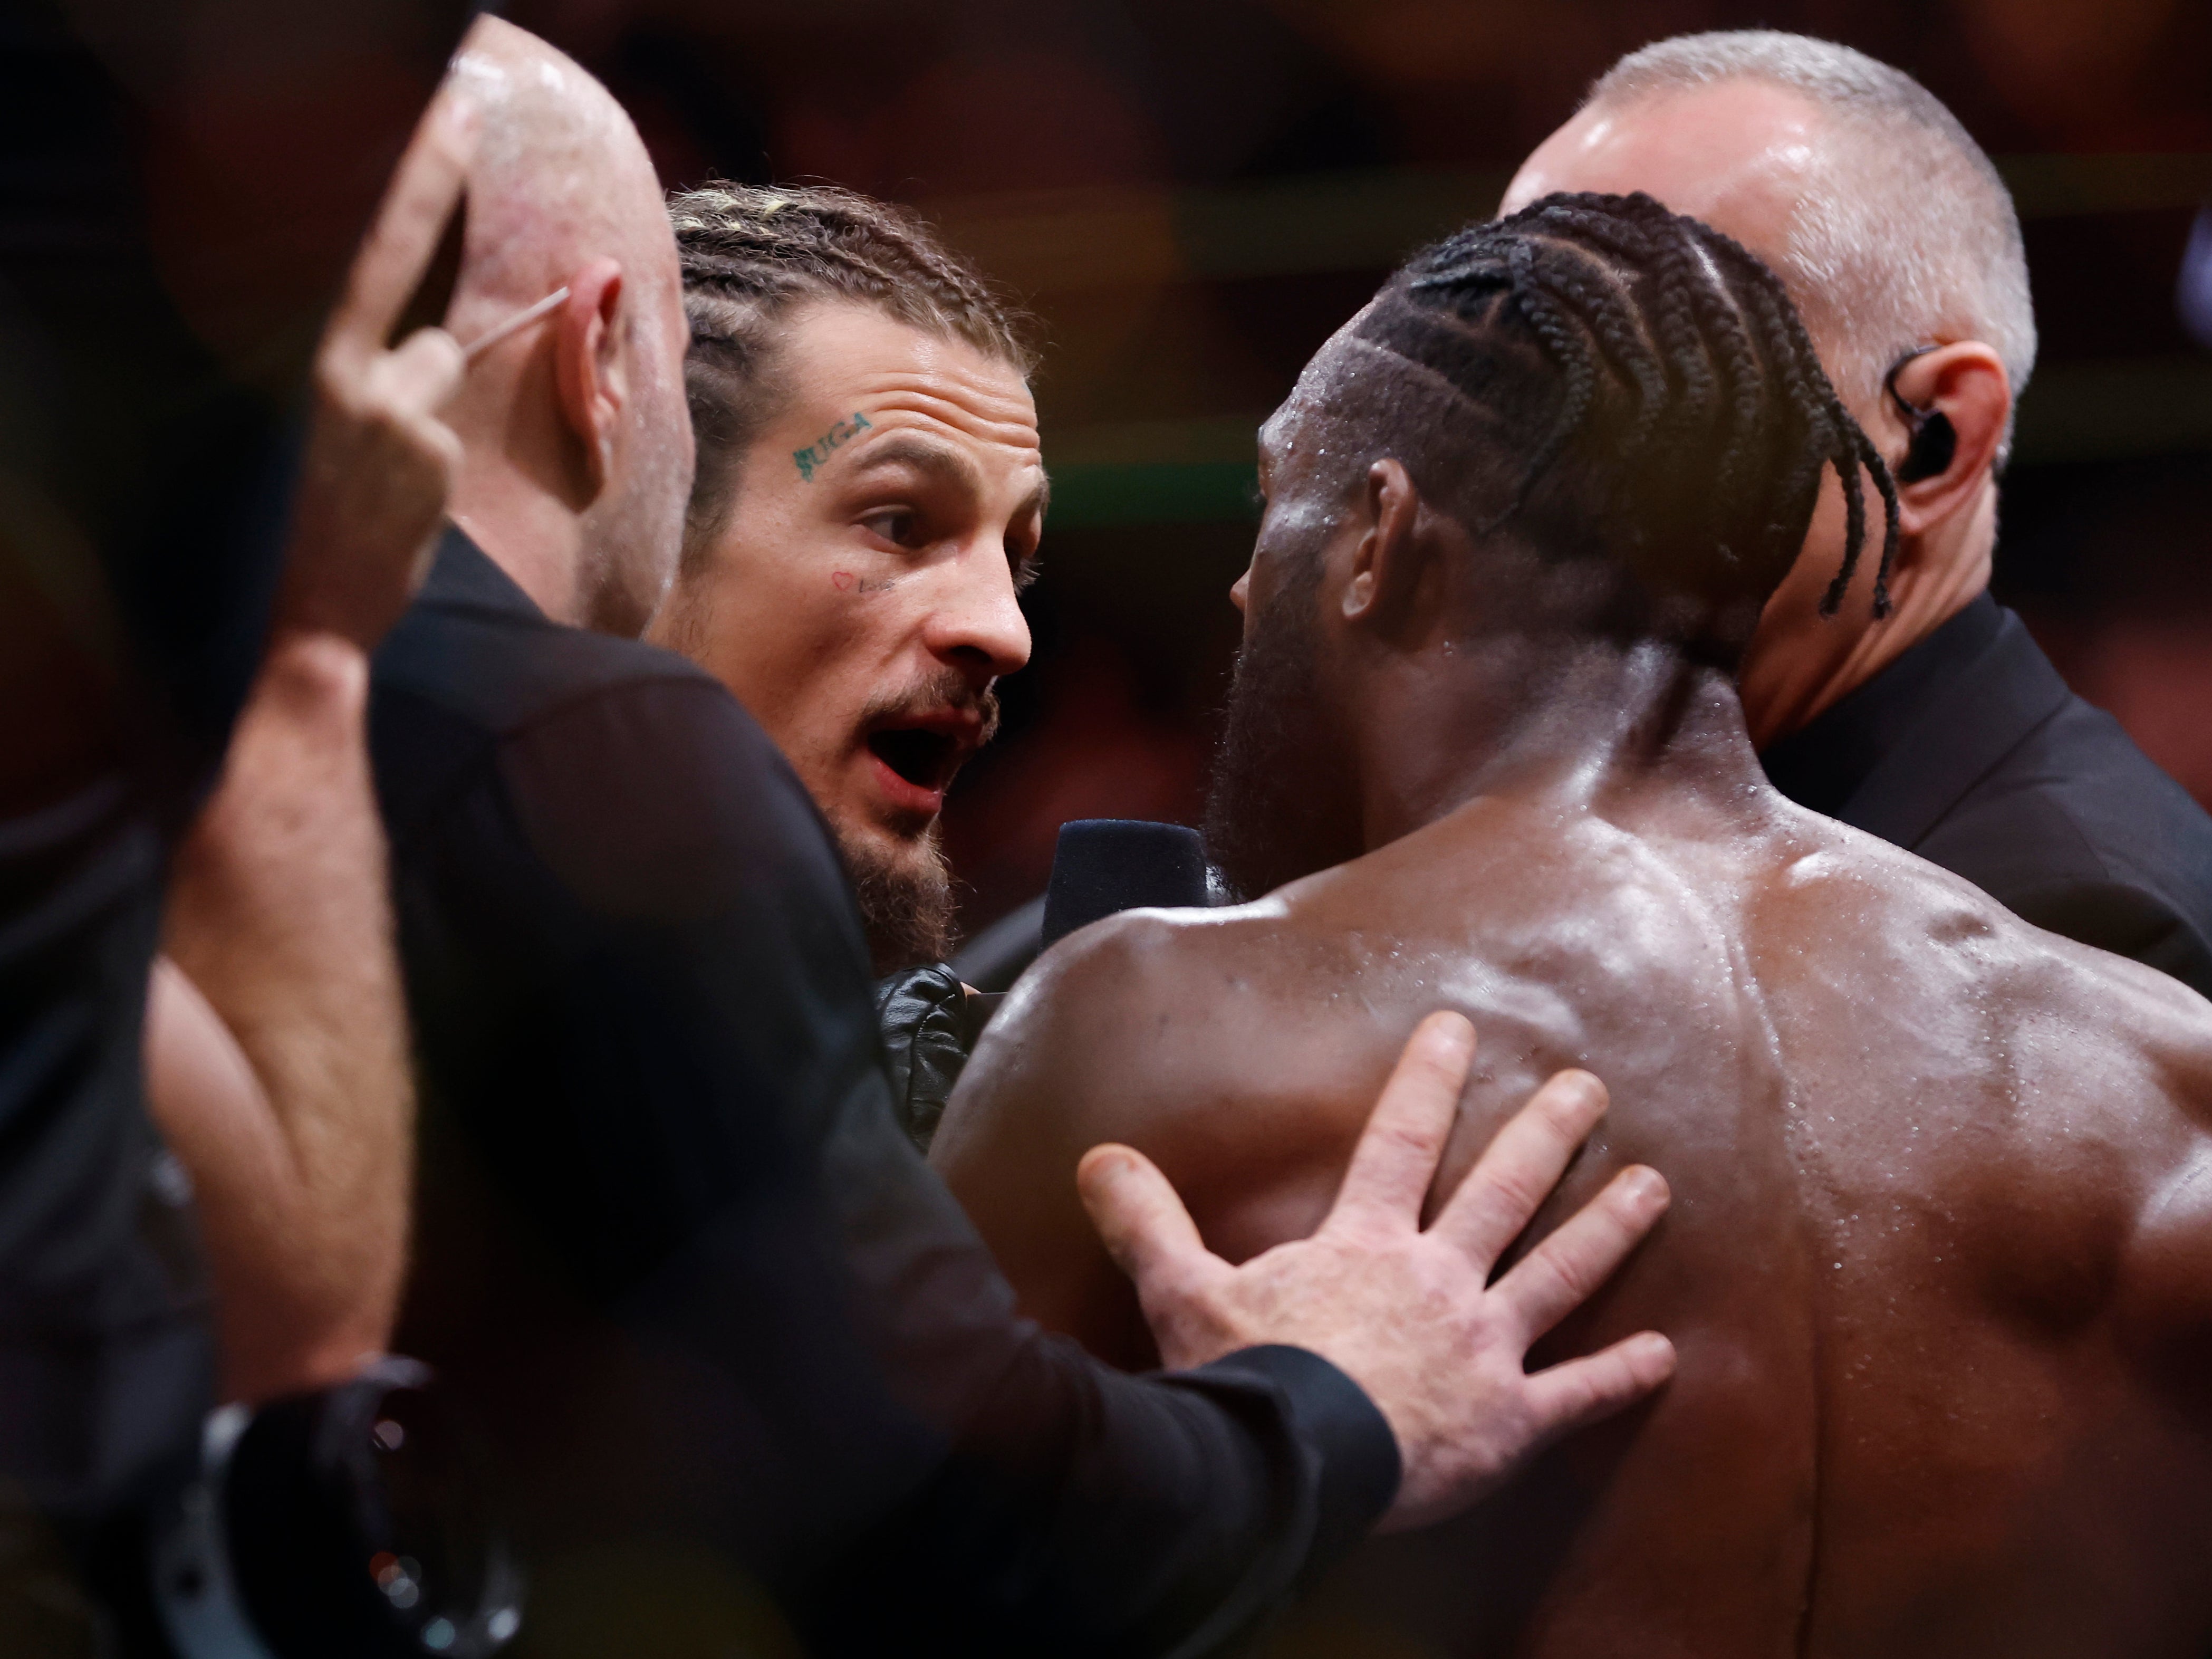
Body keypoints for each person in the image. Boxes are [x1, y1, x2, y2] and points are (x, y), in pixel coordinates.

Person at [367, 21, 1674, 1655]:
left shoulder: (281, 713)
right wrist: (1329, 1398)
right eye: (896, 522)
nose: (1002, 631)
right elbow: (955, 1519)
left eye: (1022, 561)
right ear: (638, 444)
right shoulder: (585, 756)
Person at [931, 193, 2212, 1655]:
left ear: (1375, 539)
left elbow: (877, 1593)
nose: (1238, 588)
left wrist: (1260, 1444)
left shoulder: (1155, 1017)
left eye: (1270, 504)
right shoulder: (2167, 1081)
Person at [1499, 31, 2212, 1000]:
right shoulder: (1702, 812)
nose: (1514, 459)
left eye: (1636, 366)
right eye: (1504, 360)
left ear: (1934, 439)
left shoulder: (2051, 930)